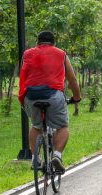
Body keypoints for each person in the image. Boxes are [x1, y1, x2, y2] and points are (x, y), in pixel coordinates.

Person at [19, 30, 81, 173]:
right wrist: (77, 97)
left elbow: (23, 77)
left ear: (37, 43)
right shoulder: (60, 54)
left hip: (30, 96)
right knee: (63, 126)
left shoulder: (27, 54)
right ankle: (57, 156)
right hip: (53, 95)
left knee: (35, 126)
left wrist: (23, 101)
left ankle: (35, 157)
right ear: (54, 43)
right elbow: (72, 79)